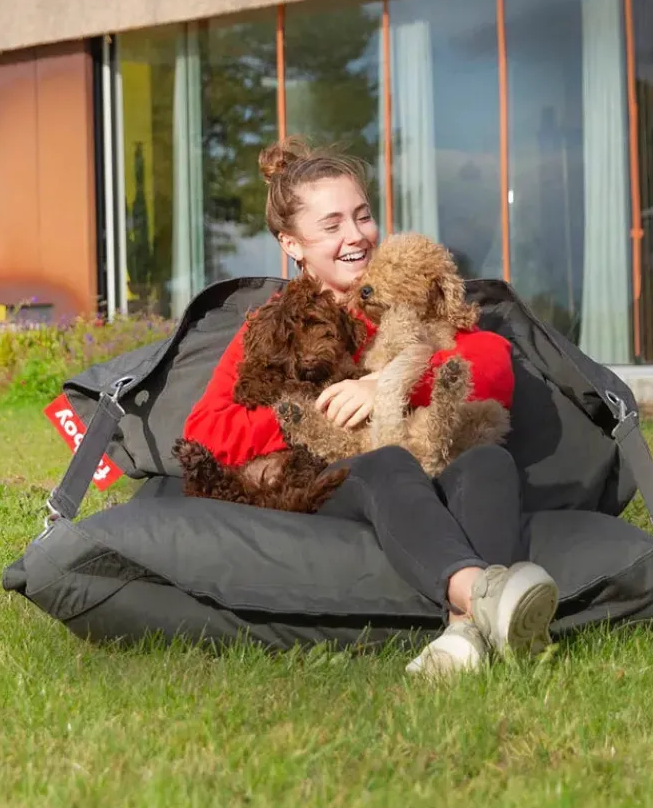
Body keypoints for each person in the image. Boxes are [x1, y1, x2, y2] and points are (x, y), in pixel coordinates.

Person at [184, 136, 558, 675]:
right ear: (292, 244)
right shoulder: (273, 325)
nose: (356, 235)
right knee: (385, 464)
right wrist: (312, 415)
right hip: (334, 475)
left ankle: (464, 637)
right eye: (332, 225)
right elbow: (205, 430)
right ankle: (483, 593)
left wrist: (387, 383)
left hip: (429, 458)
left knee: (488, 462)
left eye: (362, 216)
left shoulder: (399, 293)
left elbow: (492, 364)